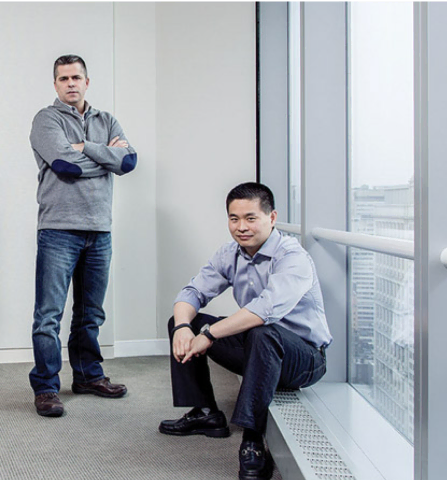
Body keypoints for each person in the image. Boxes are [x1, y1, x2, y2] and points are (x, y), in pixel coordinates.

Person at [158, 182, 332, 480]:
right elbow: (192, 292)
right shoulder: (230, 254)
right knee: (182, 321)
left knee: (262, 331)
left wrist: (209, 335)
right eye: (234, 218)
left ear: (272, 217)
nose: (241, 227)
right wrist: (186, 327)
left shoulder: (293, 257)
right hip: (258, 349)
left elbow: (264, 311)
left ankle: (252, 439)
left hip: (302, 360)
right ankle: (205, 413)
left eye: (251, 218)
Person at [28, 54, 138, 417]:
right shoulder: (46, 120)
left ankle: (88, 375)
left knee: (91, 313)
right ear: (55, 84)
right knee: (49, 315)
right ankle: (46, 387)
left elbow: (128, 162)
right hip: (58, 229)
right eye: (63, 78)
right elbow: (64, 166)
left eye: (77, 77)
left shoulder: (106, 120)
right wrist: (107, 155)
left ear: (87, 81)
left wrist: (86, 147)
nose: (71, 83)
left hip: (99, 230)